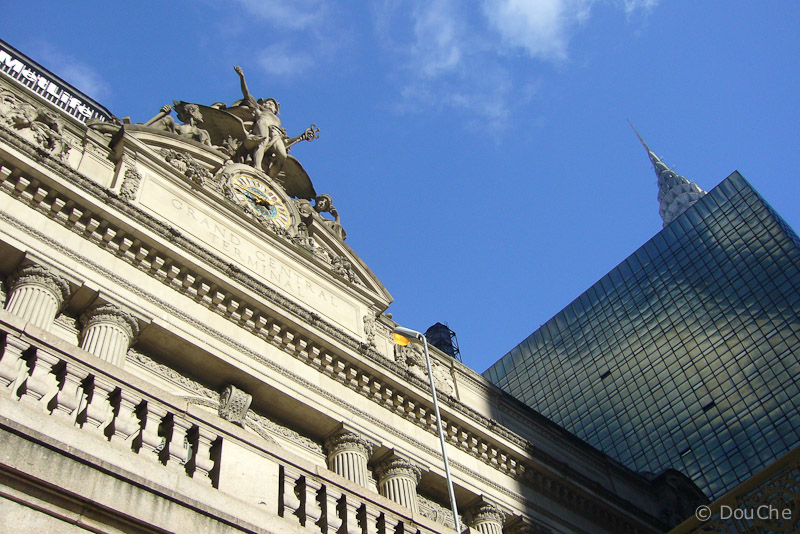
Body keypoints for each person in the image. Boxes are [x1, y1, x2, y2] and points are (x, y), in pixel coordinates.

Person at [233, 65, 287, 178]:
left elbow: (287, 142)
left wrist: (302, 137)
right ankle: (257, 166)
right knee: (262, 140)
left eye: (272, 104)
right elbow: (246, 94)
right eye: (268, 102)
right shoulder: (259, 109)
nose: (269, 105)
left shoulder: (278, 120)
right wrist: (242, 77)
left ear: (276, 110)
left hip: (276, 133)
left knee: (283, 155)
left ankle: (270, 176)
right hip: (262, 124)